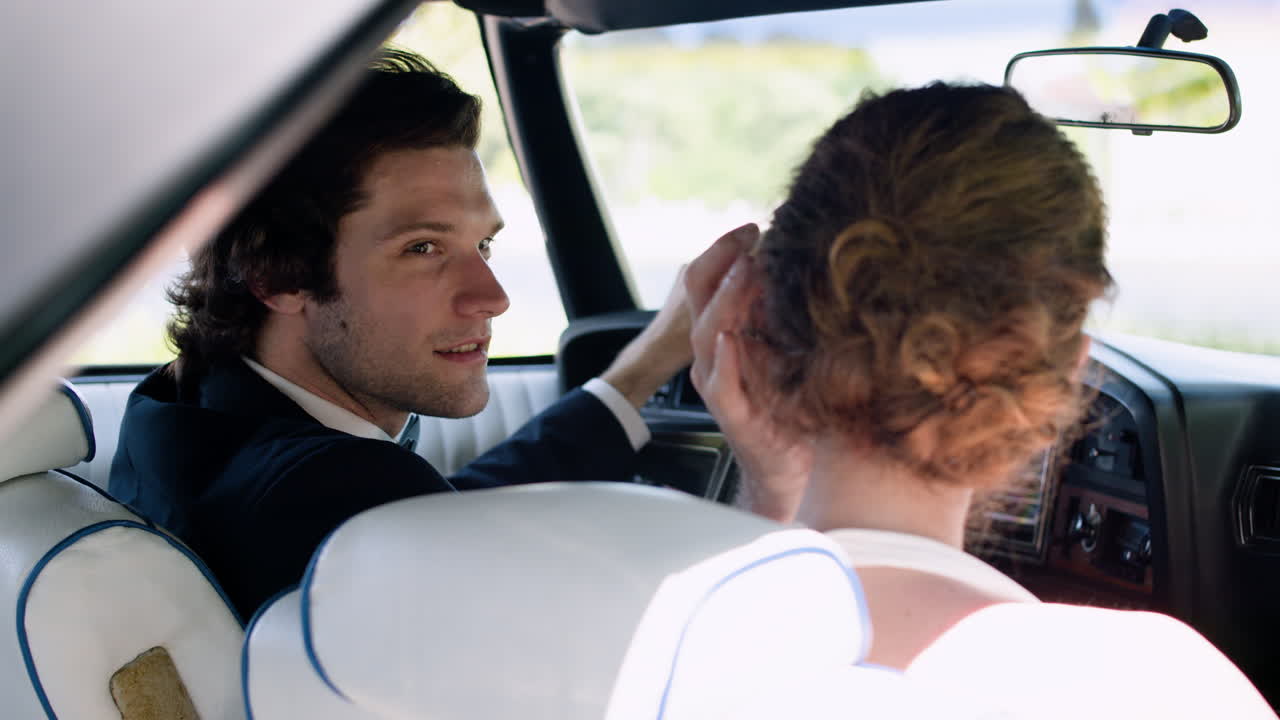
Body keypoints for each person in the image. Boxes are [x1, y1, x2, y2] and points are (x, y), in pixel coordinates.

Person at [686, 83, 1275, 717]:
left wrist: (767, 490)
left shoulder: (642, 639)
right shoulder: (1166, 687)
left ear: (761, 337)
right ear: (1062, 377)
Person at [109, 49, 692, 620]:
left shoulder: (186, 412)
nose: (492, 297)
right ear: (276, 276)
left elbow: (444, 510)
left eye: (482, 245)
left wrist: (646, 366)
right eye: (423, 248)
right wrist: (772, 478)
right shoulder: (333, 493)